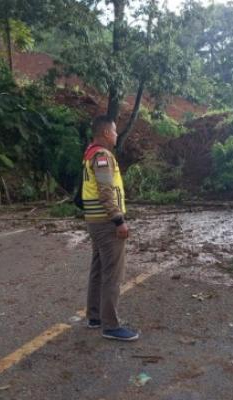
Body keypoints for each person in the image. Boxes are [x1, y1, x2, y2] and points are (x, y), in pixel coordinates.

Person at [81, 115, 139, 341]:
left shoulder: (90, 153)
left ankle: (95, 316)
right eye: (114, 131)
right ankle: (111, 326)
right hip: (105, 223)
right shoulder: (103, 156)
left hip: (95, 221)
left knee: (98, 269)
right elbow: (106, 191)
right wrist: (118, 220)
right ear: (106, 133)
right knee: (112, 274)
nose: (116, 135)